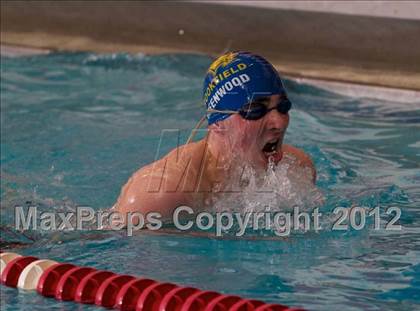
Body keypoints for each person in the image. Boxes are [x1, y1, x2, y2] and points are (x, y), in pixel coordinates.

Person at [114, 51, 316, 222]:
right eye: (255, 109)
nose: (279, 122)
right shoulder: (160, 196)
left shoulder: (298, 169)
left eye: (283, 107)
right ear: (217, 122)